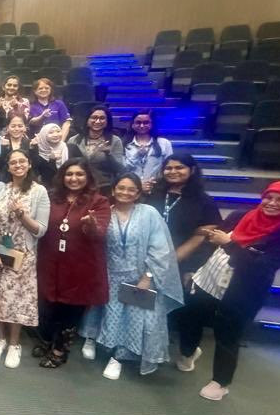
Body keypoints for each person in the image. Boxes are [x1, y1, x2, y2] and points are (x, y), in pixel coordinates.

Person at [177, 181, 280, 401]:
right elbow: (211, 243)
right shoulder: (240, 215)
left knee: (228, 333)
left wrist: (230, 243)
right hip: (208, 278)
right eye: (269, 197)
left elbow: (262, 266)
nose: (272, 203)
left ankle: (221, 382)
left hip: (243, 290)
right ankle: (188, 352)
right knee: (190, 316)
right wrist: (194, 268)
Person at [79, 173, 183, 379]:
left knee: (135, 320)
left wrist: (148, 276)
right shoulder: (106, 213)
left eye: (131, 189)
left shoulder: (149, 214)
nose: (125, 192)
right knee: (111, 315)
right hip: (110, 275)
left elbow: (160, 249)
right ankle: (93, 339)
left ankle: (118, 357)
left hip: (139, 277)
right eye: (121, 188)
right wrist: (90, 226)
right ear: (113, 190)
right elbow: (95, 242)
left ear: (138, 193)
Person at [35, 158, 111, 368]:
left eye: (79, 174)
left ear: (88, 177)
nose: (74, 178)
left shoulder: (99, 202)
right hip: (50, 263)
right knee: (48, 306)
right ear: (62, 177)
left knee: (70, 311)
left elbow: (100, 232)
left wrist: (92, 226)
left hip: (80, 266)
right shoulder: (52, 197)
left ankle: (60, 350)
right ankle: (46, 341)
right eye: (69, 174)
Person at [0, 149, 50, 368]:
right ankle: (0, 339)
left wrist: (22, 215)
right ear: (8, 167)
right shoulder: (0, 189)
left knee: (16, 300)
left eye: (22, 161)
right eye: (13, 162)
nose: (18, 165)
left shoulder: (39, 191)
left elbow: (40, 230)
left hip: (23, 256)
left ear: (29, 164)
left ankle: (14, 344)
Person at [145, 154, 222, 286]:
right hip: (147, 256)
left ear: (192, 170)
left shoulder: (204, 201)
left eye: (179, 167)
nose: (173, 171)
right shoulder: (154, 194)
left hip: (181, 262)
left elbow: (201, 237)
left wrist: (171, 261)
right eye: (168, 168)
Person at [68, 104, 125, 195]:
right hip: (78, 186)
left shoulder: (115, 140)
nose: (98, 121)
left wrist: (108, 155)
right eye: (94, 117)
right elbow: (68, 165)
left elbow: (120, 169)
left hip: (104, 187)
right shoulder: (73, 140)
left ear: (107, 122)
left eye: (102, 118)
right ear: (87, 120)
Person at [122, 110, 174, 194]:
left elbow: (169, 167)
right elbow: (122, 169)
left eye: (146, 122)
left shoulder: (164, 143)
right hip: (131, 188)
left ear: (152, 124)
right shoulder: (124, 144)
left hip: (156, 187)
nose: (142, 125)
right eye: (138, 122)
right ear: (133, 125)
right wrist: (137, 155)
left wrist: (156, 182)